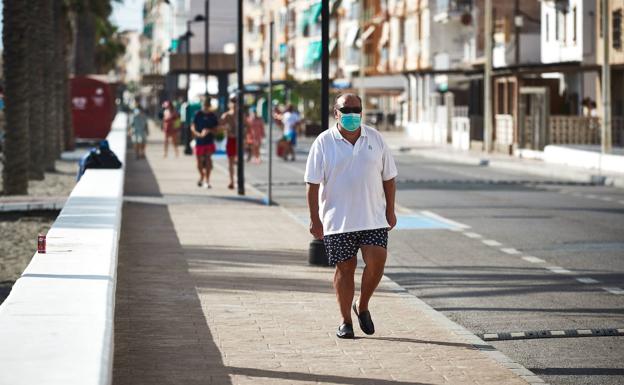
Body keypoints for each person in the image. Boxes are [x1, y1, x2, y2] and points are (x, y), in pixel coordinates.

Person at [304, 93, 398, 339]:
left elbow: (389, 177)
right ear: (336, 112)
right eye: (346, 110)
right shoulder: (324, 142)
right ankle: (346, 320)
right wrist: (315, 218)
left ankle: (362, 304)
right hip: (338, 220)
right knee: (345, 270)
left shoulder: (375, 138)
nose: (352, 114)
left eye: (357, 109)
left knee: (377, 261)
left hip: (373, 217)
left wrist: (390, 209)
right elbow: (312, 184)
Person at [191, 98, 219, 188]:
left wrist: (209, 130)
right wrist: (198, 134)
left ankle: (207, 180)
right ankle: (201, 175)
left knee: (208, 160)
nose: (206, 107)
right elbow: (192, 126)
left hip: (209, 141)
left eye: (207, 105)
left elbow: (216, 129)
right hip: (199, 141)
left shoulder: (212, 116)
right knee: (199, 162)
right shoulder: (197, 114)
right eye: (204, 105)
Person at [220, 96, 239, 189]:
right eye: (232, 102)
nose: (234, 104)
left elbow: (248, 126)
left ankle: (239, 180)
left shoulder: (241, 115)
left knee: (238, 162)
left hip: (239, 140)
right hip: (230, 140)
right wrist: (225, 128)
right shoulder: (226, 115)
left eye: (236, 102)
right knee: (231, 162)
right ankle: (232, 181)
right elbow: (219, 126)